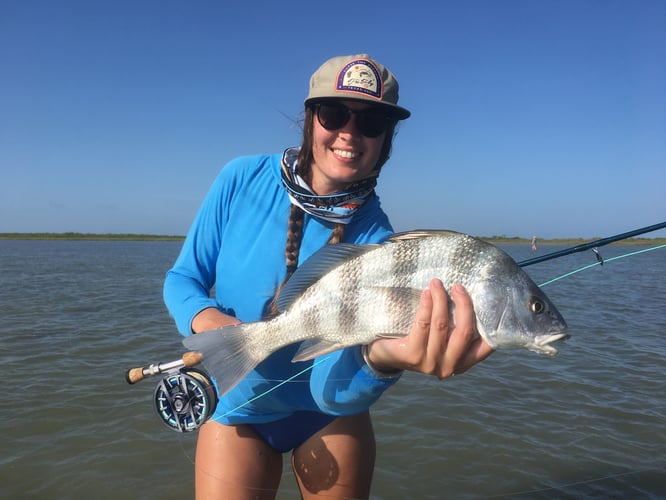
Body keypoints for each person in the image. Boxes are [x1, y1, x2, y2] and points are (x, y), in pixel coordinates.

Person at [164, 54, 494, 500]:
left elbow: (330, 389)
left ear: (386, 139)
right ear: (310, 119)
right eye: (334, 114)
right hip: (237, 402)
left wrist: (381, 360)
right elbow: (183, 279)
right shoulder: (240, 178)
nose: (350, 134)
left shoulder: (379, 240)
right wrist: (218, 329)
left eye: (372, 122)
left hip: (329, 414)